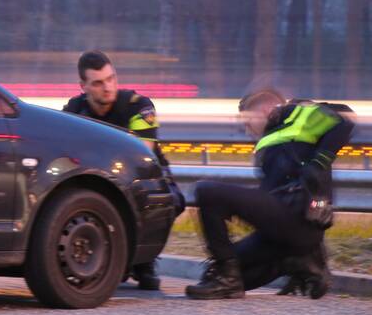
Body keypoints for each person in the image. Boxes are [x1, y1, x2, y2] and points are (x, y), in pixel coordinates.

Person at [185, 89, 355, 300]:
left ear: (266, 110)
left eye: (248, 121)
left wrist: (319, 163)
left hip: (296, 215)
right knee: (215, 274)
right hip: (284, 229)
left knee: (206, 191)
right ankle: (299, 264)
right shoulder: (273, 140)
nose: (247, 129)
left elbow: (344, 122)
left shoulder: (293, 112)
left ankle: (229, 279)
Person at [63, 50, 185, 290]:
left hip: (146, 179)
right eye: (98, 83)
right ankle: (117, 259)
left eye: (111, 79)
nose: (107, 87)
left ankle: (145, 260)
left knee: (170, 201)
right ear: (83, 86)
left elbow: (141, 157)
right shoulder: (74, 111)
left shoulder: (138, 106)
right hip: (100, 179)